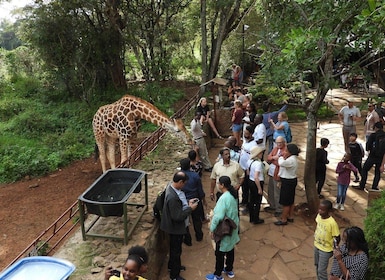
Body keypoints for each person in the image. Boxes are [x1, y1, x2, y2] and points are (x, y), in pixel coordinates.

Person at [160, 171, 198, 280]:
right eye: (184, 183)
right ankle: (174, 275)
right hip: (175, 228)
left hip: (172, 227)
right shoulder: (173, 197)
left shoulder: (172, 188)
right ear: (180, 182)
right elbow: (177, 216)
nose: (184, 185)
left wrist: (186, 202)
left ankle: (173, 266)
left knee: (175, 249)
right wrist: (190, 209)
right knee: (176, 251)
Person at [206, 176, 240, 280]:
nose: (217, 185)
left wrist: (212, 229)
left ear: (222, 185)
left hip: (224, 229)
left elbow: (218, 217)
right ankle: (229, 270)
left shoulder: (224, 198)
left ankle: (218, 275)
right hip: (233, 227)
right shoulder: (232, 195)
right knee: (230, 250)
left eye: (218, 183)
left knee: (219, 252)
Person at [179, 158, 206, 245]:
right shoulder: (195, 176)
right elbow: (200, 190)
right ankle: (199, 236)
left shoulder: (178, 176)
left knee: (185, 222)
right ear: (189, 165)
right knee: (196, 219)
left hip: (183, 201)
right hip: (194, 200)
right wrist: (203, 199)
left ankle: (188, 240)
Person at [314, 200, 340, 280]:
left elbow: (337, 236)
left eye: (322, 210)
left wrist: (335, 248)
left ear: (329, 211)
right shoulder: (318, 216)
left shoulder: (332, 223)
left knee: (321, 270)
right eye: (319, 209)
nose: (320, 211)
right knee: (317, 265)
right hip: (317, 245)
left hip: (326, 250)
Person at [274, 143, 299, 226]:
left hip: (287, 182)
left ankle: (284, 219)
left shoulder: (290, 160)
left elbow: (281, 163)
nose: (284, 152)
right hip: (291, 180)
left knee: (286, 202)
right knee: (291, 200)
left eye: (286, 150)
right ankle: (290, 216)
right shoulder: (292, 159)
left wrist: (280, 157)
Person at [357, 122, 385, 191]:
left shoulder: (373, 135)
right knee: (377, 173)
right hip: (380, 158)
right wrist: (383, 164)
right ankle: (374, 187)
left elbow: (367, 147)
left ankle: (362, 185)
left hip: (372, 156)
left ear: (375, 128)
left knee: (365, 169)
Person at [265, 136, 287, 217]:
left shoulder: (285, 151)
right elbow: (269, 157)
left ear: (283, 142)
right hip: (271, 173)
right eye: (277, 143)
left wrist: (273, 160)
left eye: (280, 142)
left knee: (277, 192)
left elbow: (281, 163)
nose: (278, 144)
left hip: (278, 174)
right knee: (270, 190)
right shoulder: (275, 149)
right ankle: (272, 205)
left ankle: (279, 209)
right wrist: (274, 158)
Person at [246, 146, 266, 224]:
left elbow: (247, 172)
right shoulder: (258, 164)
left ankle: (251, 217)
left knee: (251, 200)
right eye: (260, 153)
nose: (261, 154)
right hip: (257, 183)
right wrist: (259, 188)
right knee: (257, 202)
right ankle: (256, 218)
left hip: (251, 182)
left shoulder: (249, 161)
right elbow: (256, 177)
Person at [238, 125, 257, 208]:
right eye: (244, 133)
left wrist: (247, 168)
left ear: (251, 134)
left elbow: (252, 157)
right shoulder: (246, 141)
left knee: (247, 186)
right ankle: (244, 200)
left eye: (246, 133)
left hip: (247, 169)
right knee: (243, 186)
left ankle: (248, 203)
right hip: (242, 167)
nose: (244, 134)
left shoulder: (254, 144)